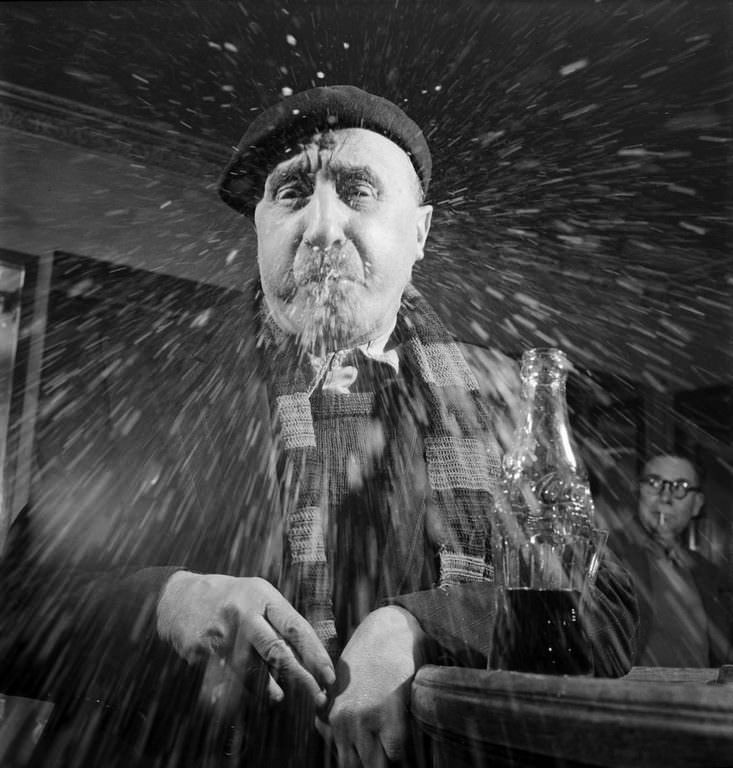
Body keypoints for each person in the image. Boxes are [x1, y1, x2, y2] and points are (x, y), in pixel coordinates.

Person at [0, 85, 638, 768]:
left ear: (419, 233)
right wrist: (165, 601)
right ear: (259, 225)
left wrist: (421, 626)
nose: (323, 226)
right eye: (293, 193)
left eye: (358, 191)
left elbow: (601, 618)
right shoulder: (154, 378)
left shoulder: (504, 396)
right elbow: (16, 615)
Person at [610, 452, 732, 667]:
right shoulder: (605, 556)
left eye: (681, 487)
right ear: (639, 492)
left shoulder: (712, 576)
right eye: (654, 483)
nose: (665, 497)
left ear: (697, 505)